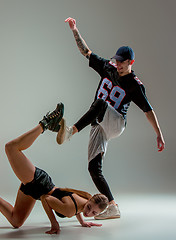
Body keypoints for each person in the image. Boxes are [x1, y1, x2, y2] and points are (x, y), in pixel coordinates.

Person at [58, 17, 165, 220]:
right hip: (99, 123)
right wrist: (74, 30)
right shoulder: (108, 67)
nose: (118, 65)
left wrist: (158, 134)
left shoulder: (134, 84)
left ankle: (70, 131)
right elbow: (86, 52)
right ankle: (113, 206)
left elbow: (148, 111)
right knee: (93, 168)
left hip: (115, 123)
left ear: (131, 62)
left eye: (122, 63)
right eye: (116, 61)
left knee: (101, 102)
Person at [0, 103, 109, 235]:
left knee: (16, 222)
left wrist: (83, 222)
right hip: (39, 183)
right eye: (90, 207)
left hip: (36, 189)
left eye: (94, 213)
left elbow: (77, 208)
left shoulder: (84, 199)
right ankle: (45, 123)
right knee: (10, 148)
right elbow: (45, 198)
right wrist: (54, 223)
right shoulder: (71, 208)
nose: (89, 212)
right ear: (90, 200)